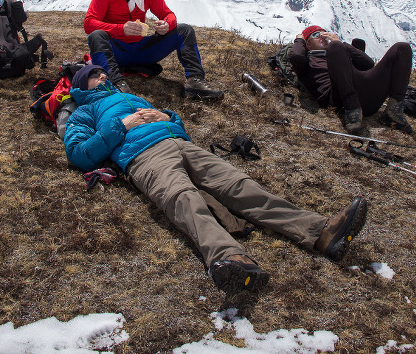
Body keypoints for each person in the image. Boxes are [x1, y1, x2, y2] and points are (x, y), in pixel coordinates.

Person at [63, 64, 368, 293]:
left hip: (182, 144)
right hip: (143, 156)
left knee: (239, 185)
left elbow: (175, 121)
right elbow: (78, 153)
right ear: (82, 85)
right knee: (183, 198)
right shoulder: (84, 113)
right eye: (94, 75)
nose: (102, 76)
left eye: (103, 73)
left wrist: (169, 117)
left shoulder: (132, 95)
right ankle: (231, 259)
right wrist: (121, 124)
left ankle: (321, 232)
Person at [84, 0, 222, 100]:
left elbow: (168, 14)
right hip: (116, 51)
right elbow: (89, 23)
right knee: (96, 36)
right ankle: (116, 83)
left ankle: (195, 82)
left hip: (142, 50)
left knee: (184, 30)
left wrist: (167, 25)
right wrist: (121, 29)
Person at [288, 25, 414, 135]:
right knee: (335, 47)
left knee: (402, 48)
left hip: (363, 93)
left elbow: (368, 64)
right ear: (308, 44)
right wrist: (299, 39)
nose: (322, 37)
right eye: (316, 35)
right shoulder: (307, 62)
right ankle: (352, 110)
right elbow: (296, 56)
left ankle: (393, 111)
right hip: (339, 100)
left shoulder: (339, 51)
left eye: (325, 34)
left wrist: (342, 44)